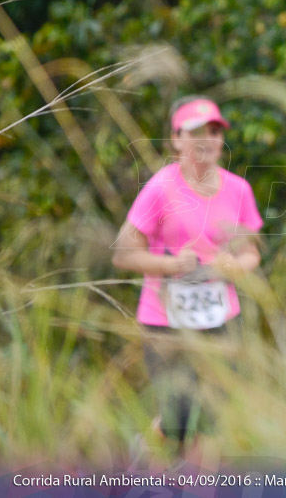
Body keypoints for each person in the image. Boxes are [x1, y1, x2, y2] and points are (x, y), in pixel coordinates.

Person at [112, 96, 263, 455]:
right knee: (177, 417)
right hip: (165, 322)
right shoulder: (161, 188)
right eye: (195, 132)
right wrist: (171, 265)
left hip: (220, 318)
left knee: (211, 416)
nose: (206, 140)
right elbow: (123, 254)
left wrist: (235, 266)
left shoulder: (238, 190)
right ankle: (144, 457)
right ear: (176, 140)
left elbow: (251, 253)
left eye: (213, 131)